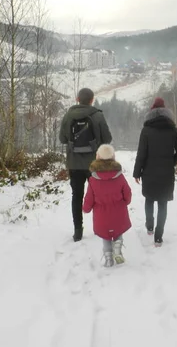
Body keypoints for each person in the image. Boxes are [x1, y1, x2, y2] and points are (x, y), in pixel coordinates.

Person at [60, 88, 112, 242]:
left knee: (76, 196)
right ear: (92, 100)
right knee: (98, 196)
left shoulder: (68, 115)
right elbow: (107, 139)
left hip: (74, 163)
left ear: (77, 99)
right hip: (94, 164)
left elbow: (62, 139)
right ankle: (101, 226)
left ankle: (78, 231)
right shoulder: (97, 115)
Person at [133, 97, 177, 247]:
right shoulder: (174, 130)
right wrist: (171, 162)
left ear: (151, 111)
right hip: (166, 173)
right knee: (163, 203)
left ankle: (149, 226)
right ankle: (158, 237)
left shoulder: (146, 130)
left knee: (149, 199)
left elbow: (141, 153)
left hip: (148, 172)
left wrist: (137, 172)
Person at [83, 144, 132, 267]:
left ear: (97, 157)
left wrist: (86, 208)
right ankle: (118, 248)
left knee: (105, 236)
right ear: (113, 157)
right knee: (118, 231)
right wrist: (126, 201)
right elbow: (127, 192)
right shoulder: (119, 176)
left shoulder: (93, 179)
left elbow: (89, 197)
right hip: (118, 212)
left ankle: (109, 258)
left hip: (101, 215)